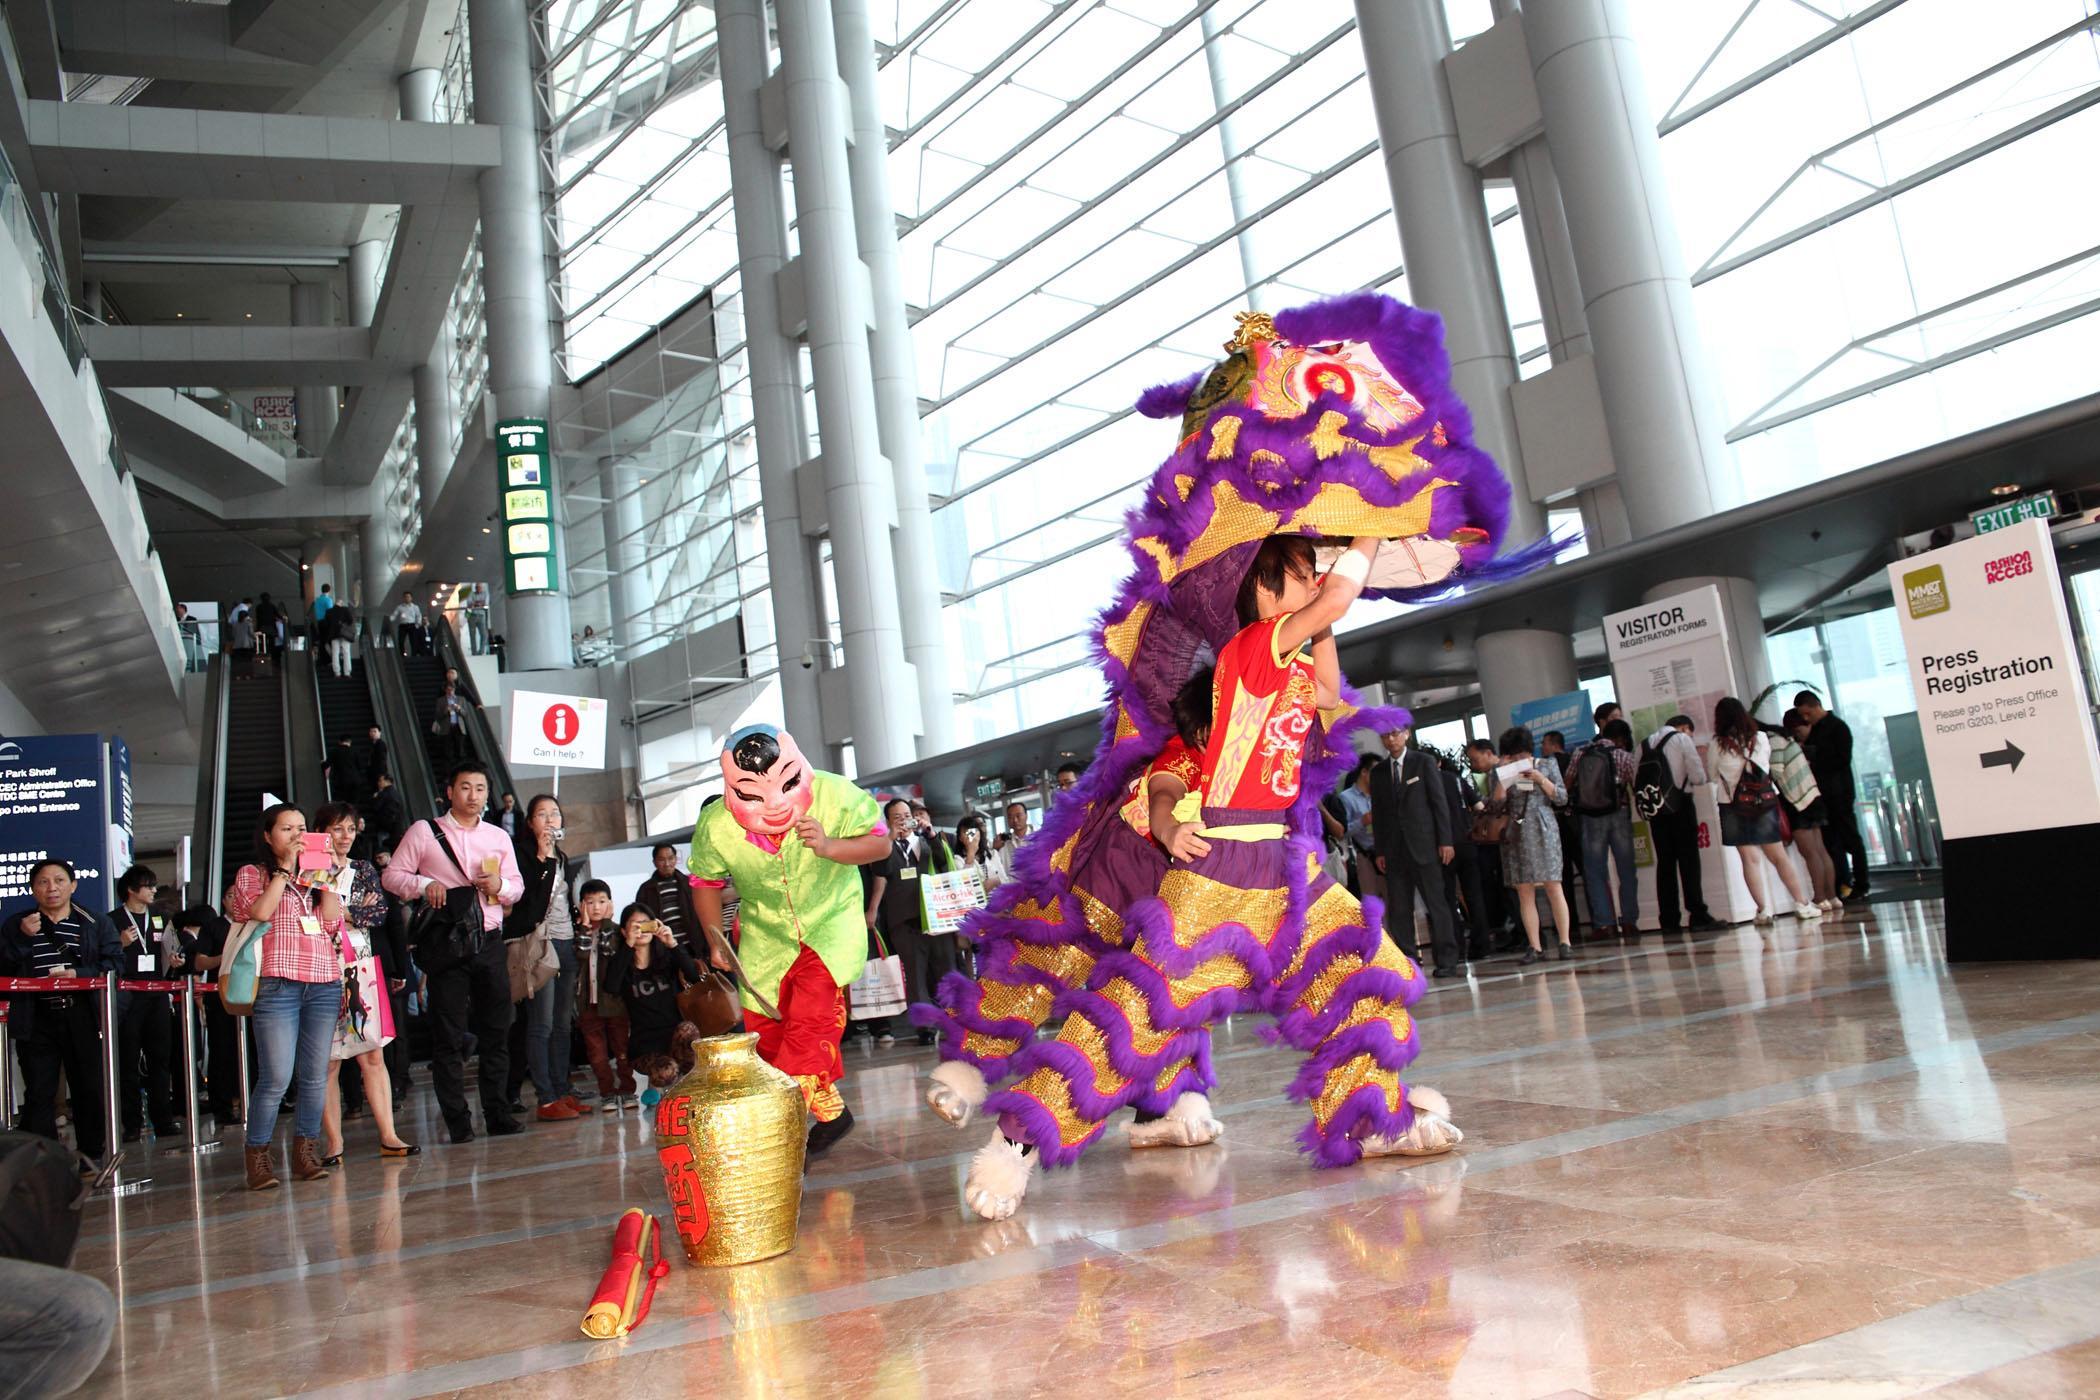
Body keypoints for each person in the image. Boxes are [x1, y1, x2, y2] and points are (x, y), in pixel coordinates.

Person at [970, 535, 1459, 1221]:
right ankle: (1016, 1142)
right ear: (1262, 587)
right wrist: (1367, 534)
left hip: (1288, 870)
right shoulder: (1251, 649)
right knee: (1135, 1020)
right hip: (1220, 871)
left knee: (1360, 969)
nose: (1315, 582)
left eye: (1316, 573)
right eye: (1302, 574)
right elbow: (1336, 601)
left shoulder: (1290, 664)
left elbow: (1328, 690)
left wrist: (1329, 609)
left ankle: (1369, 1116)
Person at [687, 724, 891, 1157]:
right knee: (770, 1041)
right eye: (753, 795)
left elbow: (880, 845)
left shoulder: (835, 794)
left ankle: (779, 1140)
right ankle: (833, 1115)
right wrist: (716, 940)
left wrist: (830, 846)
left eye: (787, 784)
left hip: (829, 928)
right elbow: (705, 881)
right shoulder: (716, 824)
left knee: (810, 1026)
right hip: (765, 941)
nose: (775, 805)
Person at [382, 761, 525, 1144]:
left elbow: (516, 886)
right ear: (450, 792)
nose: (473, 795)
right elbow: (391, 877)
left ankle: (498, 1114)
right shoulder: (424, 831)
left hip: (489, 942)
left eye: (480, 788)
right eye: (465, 787)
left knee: (497, 1032)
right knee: (447, 1037)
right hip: (446, 944)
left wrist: (500, 886)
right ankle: (458, 1122)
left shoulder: (498, 836)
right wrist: (424, 884)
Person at [227, 803, 349, 1189]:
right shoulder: (253, 873)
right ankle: (258, 1157)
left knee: (314, 1076)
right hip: (277, 983)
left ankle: (305, 1153)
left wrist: (327, 876)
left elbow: (331, 921)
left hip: (323, 981)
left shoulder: (315, 873)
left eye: (301, 828)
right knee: (276, 1076)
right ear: (268, 836)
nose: (297, 835)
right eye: (287, 829)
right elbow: (259, 912)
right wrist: (283, 871)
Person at [313, 803, 417, 1163]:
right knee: (328, 1061)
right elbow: (315, 916)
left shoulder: (363, 868)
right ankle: (334, 1142)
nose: (345, 836)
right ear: (320, 832)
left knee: (373, 1052)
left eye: (350, 829)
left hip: (359, 966)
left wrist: (346, 912)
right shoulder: (309, 870)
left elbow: (379, 912)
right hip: (320, 967)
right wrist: (354, 910)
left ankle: (389, 1134)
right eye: (336, 829)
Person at [0, 861, 121, 1162]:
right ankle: (48, 1162)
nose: (51, 888)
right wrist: (22, 938)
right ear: (33, 889)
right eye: (43, 882)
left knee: (88, 1087)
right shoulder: (17, 924)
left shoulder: (94, 922)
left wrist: (78, 974)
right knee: (39, 1091)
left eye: (59, 880)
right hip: (35, 1015)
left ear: (73, 885)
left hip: (82, 1012)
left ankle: (91, 1156)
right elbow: (3, 968)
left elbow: (115, 964)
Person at [1708, 697, 1821, 927]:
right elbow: (1765, 767)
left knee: (1749, 860)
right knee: (1778, 857)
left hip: (1732, 805)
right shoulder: (1760, 738)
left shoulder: (1717, 745)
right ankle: (1802, 903)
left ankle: (1764, 910)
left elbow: (1712, 775)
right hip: (1763, 803)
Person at [509, 795, 582, 1121]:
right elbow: (529, 903)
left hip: (565, 942)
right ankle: (546, 1097)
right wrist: (542, 857)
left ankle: (562, 1090)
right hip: (539, 944)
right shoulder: (523, 855)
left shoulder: (561, 856)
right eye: (542, 814)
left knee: (563, 1024)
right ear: (530, 823)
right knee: (542, 1024)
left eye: (555, 813)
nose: (550, 819)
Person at [1369, 725, 1461, 976]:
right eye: (1385, 735)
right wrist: (1380, 850)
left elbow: (1438, 803)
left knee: (1436, 904)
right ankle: (1407, 962)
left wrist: (1445, 841)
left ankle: (1447, 960)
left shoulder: (1423, 762)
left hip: (1425, 846)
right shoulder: (1378, 772)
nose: (1391, 739)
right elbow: (1378, 813)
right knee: (1399, 909)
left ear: (1406, 734)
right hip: (1394, 851)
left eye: (1395, 733)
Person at [1487, 726, 1573, 965]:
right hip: (1516, 832)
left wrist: (1540, 779)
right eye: (1512, 755)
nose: (1517, 759)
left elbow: (1562, 798)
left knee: (1553, 885)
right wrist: (1503, 778)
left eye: (1520, 754)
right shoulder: (1500, 772)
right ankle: (1535, 946)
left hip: (1543, 828)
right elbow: (1494, 806)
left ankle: (1565, 942)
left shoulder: (1547, 765)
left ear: (1528, 750)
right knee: (1524, 891)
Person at [874, 796, 956, 1045]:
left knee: (945, 971)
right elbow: (880, 870)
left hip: (935, 917)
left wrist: (930, 833)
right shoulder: (884, 846)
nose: (903, 821)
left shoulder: (926, 841)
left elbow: (944, 861)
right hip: (903, 920)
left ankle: (954, 1022)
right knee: (916, 975)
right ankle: (925, 1028)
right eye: (896, 817)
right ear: (888, 821)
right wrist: (890, 838)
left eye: (907, 816)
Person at [110, 865, 183, 1143]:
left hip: (157, 995)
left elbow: (170, 949)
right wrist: (120, 943)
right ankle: (131, 1123)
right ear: (131, 890)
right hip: (127, 996)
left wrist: (175, 960)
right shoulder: (113, 920)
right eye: (148, 885)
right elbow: (103, 957)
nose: (153, 890)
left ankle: (163, 1119)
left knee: (160, 1058)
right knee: (127, 1060)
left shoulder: (160, 917)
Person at [1641, 715, 1718, 933]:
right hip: (1680, 805)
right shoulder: (1682, 740)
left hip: (1656, 809)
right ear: (1684, 728)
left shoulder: (1644, 744)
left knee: (1665, 863)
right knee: (1688, 861)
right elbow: (1697, 776)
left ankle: (1669, 920)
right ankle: (1697, 914)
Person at [1794, 690, 1870, 901]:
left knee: (1851, 839)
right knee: (1830, 843)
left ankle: (1861, 883)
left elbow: (1843, 759)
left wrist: (1815, 756)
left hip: (1840, 793)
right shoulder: (1814, 731)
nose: (1806, 718)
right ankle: (1841, 885)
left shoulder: (1838, 728)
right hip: (1822, 796)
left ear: (1817, 706)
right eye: (1803, 715)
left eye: (1808, 713)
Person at [1571, 719, 1641, 938]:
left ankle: (1604, 924)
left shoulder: (1580, 753)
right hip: (1618, 814)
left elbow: (1568, 782)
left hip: (1590, 817)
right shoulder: (1624, 756)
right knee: (1626, 871)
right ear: (1621, 738)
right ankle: (1629, 922)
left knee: (1594, 872)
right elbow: (1635, 784)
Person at [604, 904, 697, 1062]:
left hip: (677, 1035)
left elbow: (694, 976)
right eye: (635, 925)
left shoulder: (667, 958)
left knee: (689, 1032)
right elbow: (611, 987)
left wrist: (672, 944)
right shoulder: (621, 963)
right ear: (624, 931)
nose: (641, 929)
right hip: (645, 1043)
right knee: (665, 1070)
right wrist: (629, 944)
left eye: (646, 923)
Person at [175, 902, 239, 1123]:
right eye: (231, 895)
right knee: (221, 1051)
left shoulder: (254, 922)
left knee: (253, 1050)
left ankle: (250, 1100)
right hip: (219, 997)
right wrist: (225, 957)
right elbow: (199, 963)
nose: (236, 899)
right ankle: (222, 1106)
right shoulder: (214, 927)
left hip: (253, 995)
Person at [573, 880, 634, 1112]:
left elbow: (610, 951)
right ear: (581, 905)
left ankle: (627, 1090)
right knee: (596, 1054)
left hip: (615, 1003)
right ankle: (607, 1093)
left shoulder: (616, 930)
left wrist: (607, 923)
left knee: (622, 1049)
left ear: (610, 903)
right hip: (588, 1004)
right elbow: (580, 955)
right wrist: (585, 927)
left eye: (601, 901)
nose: (596, 907)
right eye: (590, 902)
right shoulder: (578, 932)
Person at [1780, 708, 1844, 914]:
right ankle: (1832, 897)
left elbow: (1776, 773)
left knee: (1810, 853)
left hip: (1799, 802)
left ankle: (1820, 897)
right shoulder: (1797, 747)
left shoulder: (1780, 745)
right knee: (1821, 850)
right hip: (1814, 797)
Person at [634, 842, 703, 952]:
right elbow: (641, 923)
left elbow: (701, 915)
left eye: (671, 858)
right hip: (664, 951)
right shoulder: (646, 890)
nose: (667, 864)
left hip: (694, 948)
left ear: (676, 859)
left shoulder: (689, 883)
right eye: (661, 860)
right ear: (654, 862)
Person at [1338, 756, 1380, 904]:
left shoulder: (1381, 794)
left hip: (1385, 853)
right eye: (1376, 772)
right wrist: (1362, 821)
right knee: (1371, 901)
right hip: (1363, 856)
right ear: (1364, 772)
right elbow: (1342, 832)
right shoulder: (1346, 798)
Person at [953, 814, 1008, 892]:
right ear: (960, 838)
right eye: (966, 832)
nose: (970, 836)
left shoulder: (992, 854)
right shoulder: (957, 860)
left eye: (972, 832)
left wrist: (995, 881)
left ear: (979, 833)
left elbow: (1006, 880)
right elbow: (963, 887)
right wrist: (971, 853)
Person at [365, 770, 406, 855]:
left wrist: (375, 798)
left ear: (387, 781)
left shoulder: (384, 793)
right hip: (396, 828)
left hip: (386, 828)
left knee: (384, 852)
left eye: (380, 780)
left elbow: (375, 807)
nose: (378, 783)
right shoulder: (395, 793)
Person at [432, 682, 471, 770]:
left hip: (459, 727)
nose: (450, 692)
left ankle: (461, 770)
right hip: (446, 729)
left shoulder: (461, 699)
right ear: (445, 690)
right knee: (448, 752)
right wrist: (446, 710)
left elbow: (466, 714)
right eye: (448, 690)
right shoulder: (440, 701)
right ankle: (449, 771)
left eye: (452, 689)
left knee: (461, 751)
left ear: (454, 689)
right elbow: (437, 716)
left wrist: (459, 709)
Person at [392, 589, 426, 655]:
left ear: (411, 598)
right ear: (403, 598)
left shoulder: (415, 607)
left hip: (412, 625)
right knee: (401, 641)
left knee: (413, 641)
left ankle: (414, 655)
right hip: (403, 625)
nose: (407, 598)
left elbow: (419, 615)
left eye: (408, 597)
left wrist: (418, 624)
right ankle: (402, 655)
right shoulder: (400, 607)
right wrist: (389, 619)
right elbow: (394, 615)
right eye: (405, 597)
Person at [252, 591, 280, 662]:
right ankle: (273, 656)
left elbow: (258, 618)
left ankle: (264, 655)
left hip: (262, 627)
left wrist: (257, 629)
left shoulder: (259, 607)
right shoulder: (272, 606)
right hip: (271, 627)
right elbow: (277, 615)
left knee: (263, 642)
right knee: (272, 642)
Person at [364, 724, 389, 790]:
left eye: (375, 731)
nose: (373, 733)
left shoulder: (380, 744)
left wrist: (381, 776)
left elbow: (382, 760)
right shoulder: (373, 745)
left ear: (380, 733)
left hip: (379, 775)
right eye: (371, 731)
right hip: (374, 775)